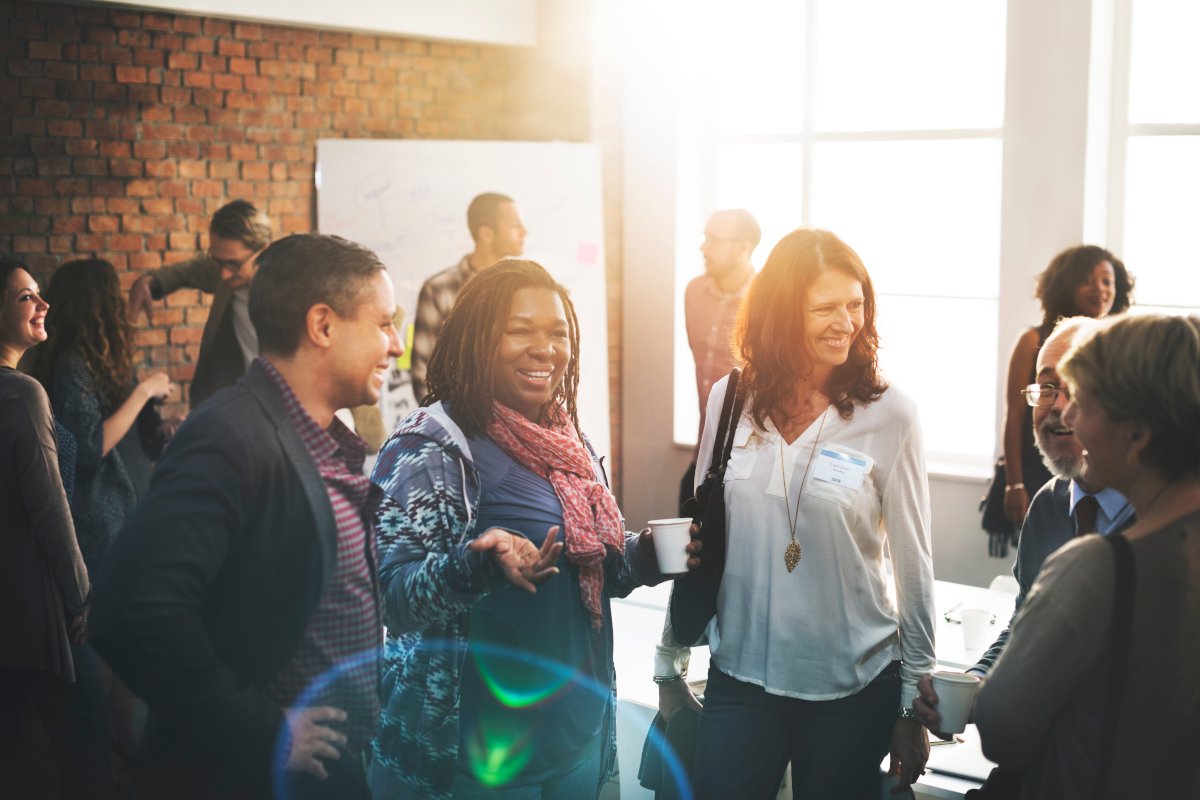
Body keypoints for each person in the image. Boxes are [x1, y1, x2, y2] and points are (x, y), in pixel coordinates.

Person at [368, 259, 697, 800]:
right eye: (520, 330)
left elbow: (594, 572)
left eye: (557, 333)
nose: (544, 349)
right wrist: (475, 567)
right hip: (475, 757)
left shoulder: (568, 445)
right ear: (477, 339)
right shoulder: (432, 447)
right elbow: (393, 598)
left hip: (578, 738)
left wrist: (647, 555)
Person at [90, 234, 404, 800]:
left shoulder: (328, 440)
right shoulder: (230, 433)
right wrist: (263, 731)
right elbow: (132, 609)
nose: (397, 345)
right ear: (323, 326)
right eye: (384, 324)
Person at [655, 227, 935, 799]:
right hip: (742, 679)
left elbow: (914, 564)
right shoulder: (730, 400)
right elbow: (698, 539)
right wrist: (670, 660)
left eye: (856, 305)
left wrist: (913, 703)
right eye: (825, 308)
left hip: (852, 687)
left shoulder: (891, 414)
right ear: (782, 314)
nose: (847, 322)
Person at [972, 313, 1200, 798]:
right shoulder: (1052, 505)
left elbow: (1002, 732)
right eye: (1048, 388)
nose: (1066, 414)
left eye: (1086, 398)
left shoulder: (1099, 566)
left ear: (1137, 434)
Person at [912, 317, 1137, 795]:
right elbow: (1022, 628)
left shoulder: (1158, 519)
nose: (1057, 408)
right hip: (1037, 767)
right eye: (1046, 387)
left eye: (1074, 387)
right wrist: (971, 685)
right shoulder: (1051, 505)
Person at [24, 258, 176, 795]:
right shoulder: (71, 366)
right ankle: (125, 768)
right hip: (92, 534)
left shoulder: (89, 362)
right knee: (109, 671)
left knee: (118, 674)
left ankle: (127, 765)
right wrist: (142, 393)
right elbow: (90, 449)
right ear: (99, 305)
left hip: (110, 530)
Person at [0, 260, 113, 799]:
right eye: (26, 297)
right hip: (40, 606)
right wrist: (81, 598)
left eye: (41, 294)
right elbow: (50, 510)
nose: (43, 305)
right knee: (89, 732)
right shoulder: (22, 396)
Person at [999, 246, 1134, 533]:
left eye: (1107, 281)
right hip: (1040, 461)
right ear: (1066, 285)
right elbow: (1014, 414)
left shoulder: (1122, 345)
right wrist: (1015, 482)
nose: (1099, 288)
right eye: (1087, 279)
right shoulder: (1033, 339)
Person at [127, 199, 271, 409]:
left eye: (234, 264)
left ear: (264, 251)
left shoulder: (289, 291)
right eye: (217, 260)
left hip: (274, 404)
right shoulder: (225, 269)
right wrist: (150, 281)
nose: (223, 274)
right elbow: (194, 268)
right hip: (229, 399)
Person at [410, 192, 527, 402]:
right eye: (514, 225)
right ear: (487, 233)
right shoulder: (439, 290)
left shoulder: (526, 292)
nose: (524, 232)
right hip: (456, 424)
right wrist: (453, 426)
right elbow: (422, 374)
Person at [679, 209, 759, 514]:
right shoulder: (694, 292)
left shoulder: (765, 303)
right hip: (703, 451)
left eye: (713, 239)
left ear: (743, 246)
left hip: (745, 460)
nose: (703, 247)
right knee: (682, 556)